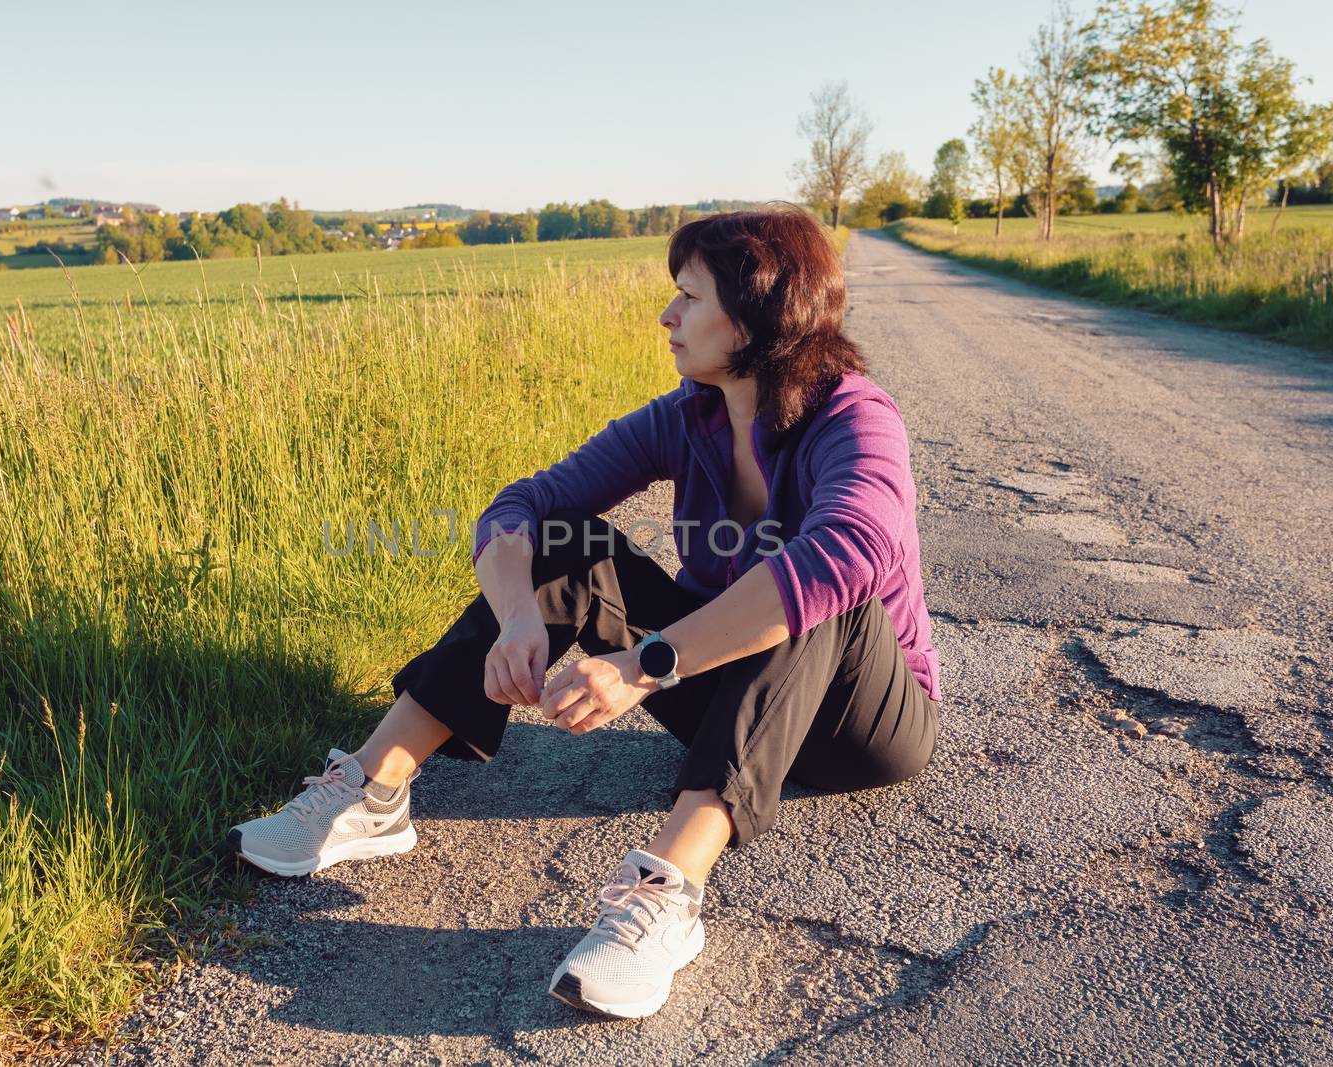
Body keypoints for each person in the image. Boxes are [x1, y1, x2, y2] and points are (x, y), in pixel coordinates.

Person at [228, 204, 942, 1020]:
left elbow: (845, 553)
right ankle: (375, 789)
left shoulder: (855, 416)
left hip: (865, 728)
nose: (667, 316)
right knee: (570, 539)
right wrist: (517, 615)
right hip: (734, 692)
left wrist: (644, 665)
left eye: (690, 298)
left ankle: (666, 895)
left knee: (819, 589)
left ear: (756, 315)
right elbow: (524, 504)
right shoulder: (687, 416)